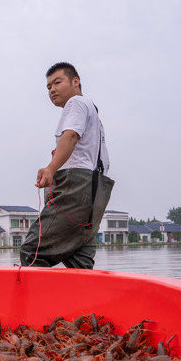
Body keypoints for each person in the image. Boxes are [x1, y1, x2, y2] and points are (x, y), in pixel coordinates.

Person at [19, 62, 114, 269]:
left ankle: (35, 301)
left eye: (57, 82)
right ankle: (82, 301)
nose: (52, 89)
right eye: (48, 87)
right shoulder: (94, 116)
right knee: (79, 263)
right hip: (95, 195)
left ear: (75, 82)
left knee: (33, 252)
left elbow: (70, 136)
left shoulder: (76, 103)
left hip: (75, 189)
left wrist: (51, 169)